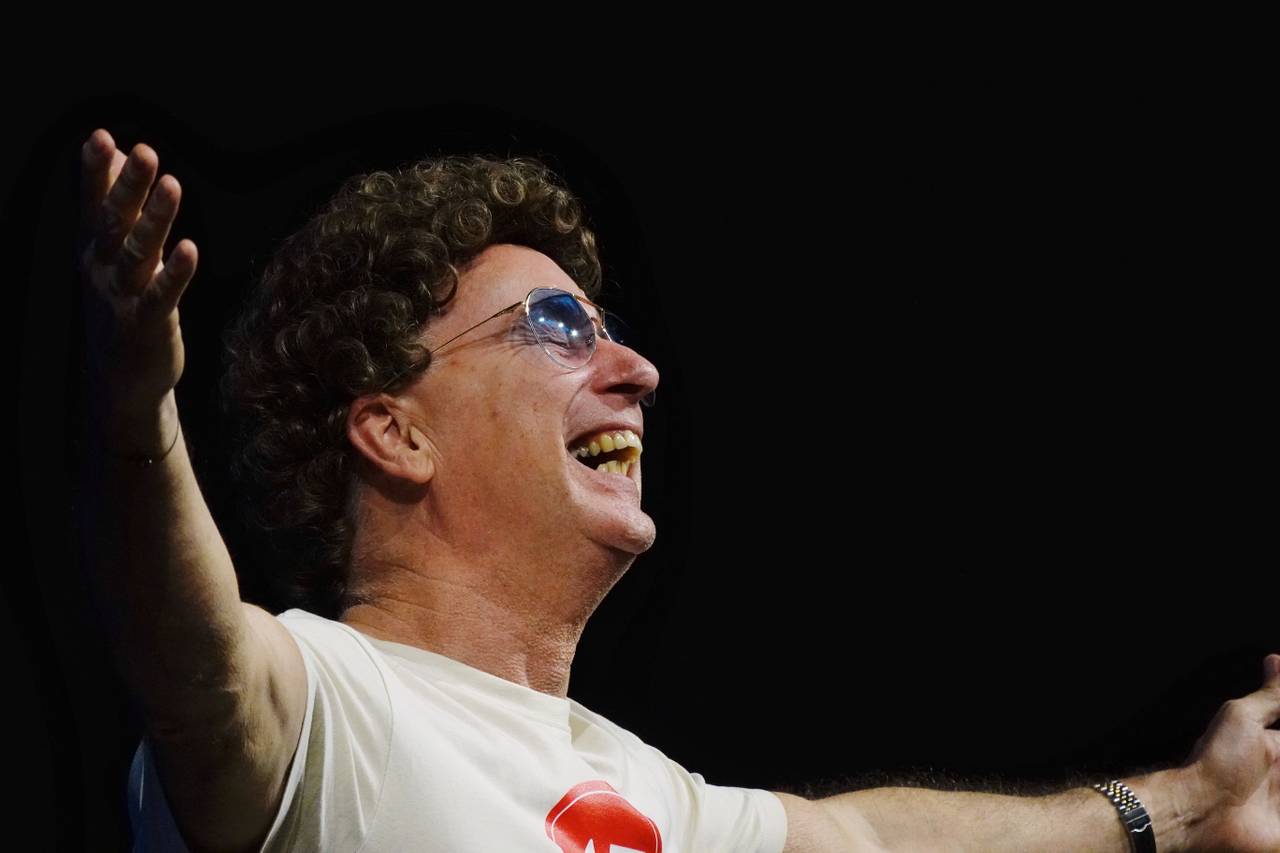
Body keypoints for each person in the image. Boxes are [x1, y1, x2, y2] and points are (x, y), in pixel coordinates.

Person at [76, 126, 1280, 853]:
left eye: (611, 331)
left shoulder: (654, 795)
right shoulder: (332, 704)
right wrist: (136, 419)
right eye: (556, 327)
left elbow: (864, 836)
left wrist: (1188, 803)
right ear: (395, 431)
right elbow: (195, 664)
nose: (637, 371)